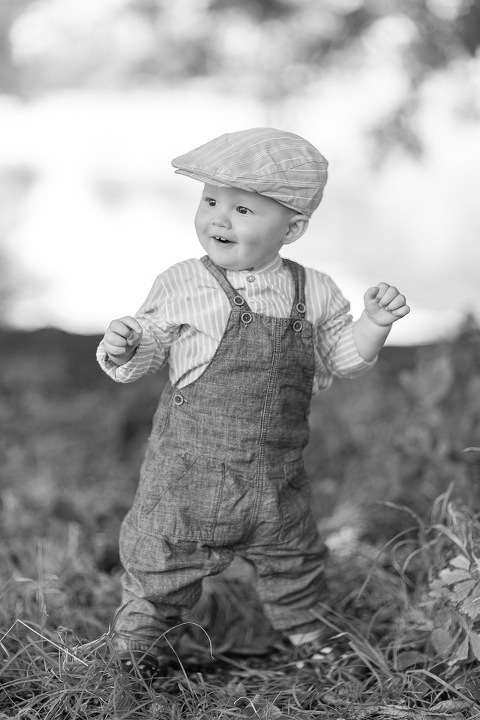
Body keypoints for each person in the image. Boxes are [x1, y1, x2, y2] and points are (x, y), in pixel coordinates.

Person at [97, 127, 410, 680]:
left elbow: (340, 358)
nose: (219, 218)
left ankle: (313, 642)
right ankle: (133, 655)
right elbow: (147, 345)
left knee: (296, 564)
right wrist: (126, 341)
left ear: (293, 227)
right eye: (211, 201)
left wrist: (373, 324)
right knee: (159, 564)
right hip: (186, 483)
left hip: (274, 485)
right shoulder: (183, 282)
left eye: (243, 209)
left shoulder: (314, 291)